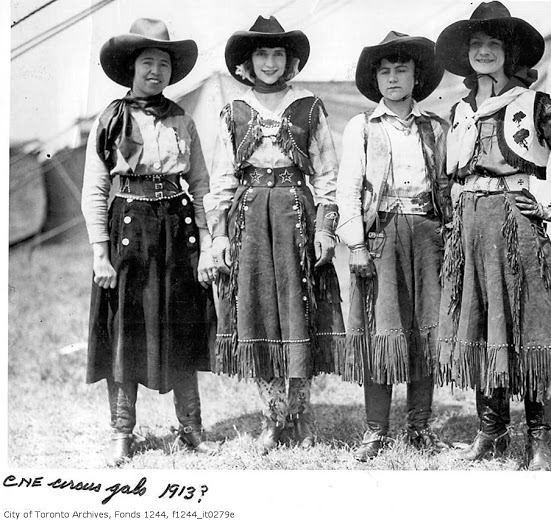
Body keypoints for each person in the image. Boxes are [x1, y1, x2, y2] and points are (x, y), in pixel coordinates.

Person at [434, 1, 551, 470]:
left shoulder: (534, 104)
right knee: (482, 322)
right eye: (476, 44)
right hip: (469, 227)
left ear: (510, 52)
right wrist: (453, 224)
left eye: (493, 44)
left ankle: (539, 441)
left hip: (516, 225)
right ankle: (492, 432)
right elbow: (451, 176)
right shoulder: (461, 110)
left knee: (529, 326)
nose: (484, 51)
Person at [204, 15, 345, 454]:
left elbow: (327, 174)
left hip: (296, 217)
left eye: (278, 54)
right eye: (261, 54)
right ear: (248, 62)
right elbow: (222, 180)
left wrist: (325, 228)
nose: (269, 62)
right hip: (249, 221)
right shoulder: (233, 112)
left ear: (290, 60)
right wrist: (221, 237)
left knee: (298, 312)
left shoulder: (310, 107)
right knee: (259, 313)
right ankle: (273, 416)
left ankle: (300, 416)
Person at [81, 18, 217, 467]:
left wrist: (208, 245)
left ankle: (191, 427)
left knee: (181, 324)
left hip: (176, 230)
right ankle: (122, 431)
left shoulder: (182, 119)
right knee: (125, 329)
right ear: (131, 68)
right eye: (147, 62)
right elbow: (95, 190)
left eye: (163, 62)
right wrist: (100, 251)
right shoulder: (110, 120)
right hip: (128, 231)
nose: (155, 70)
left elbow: (200, 184)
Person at [336, 31, 451, 461]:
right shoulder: (363, 127)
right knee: (381, 331)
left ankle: (419, 426)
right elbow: (347, 190)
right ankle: (375, 430)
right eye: (383, 71)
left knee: (425, 328)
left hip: (427, 233)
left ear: (416, 76)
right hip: (381, 233)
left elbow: (447, 187)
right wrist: (357, 244)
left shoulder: (435, 127)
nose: (392, 78)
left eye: (401, 69)